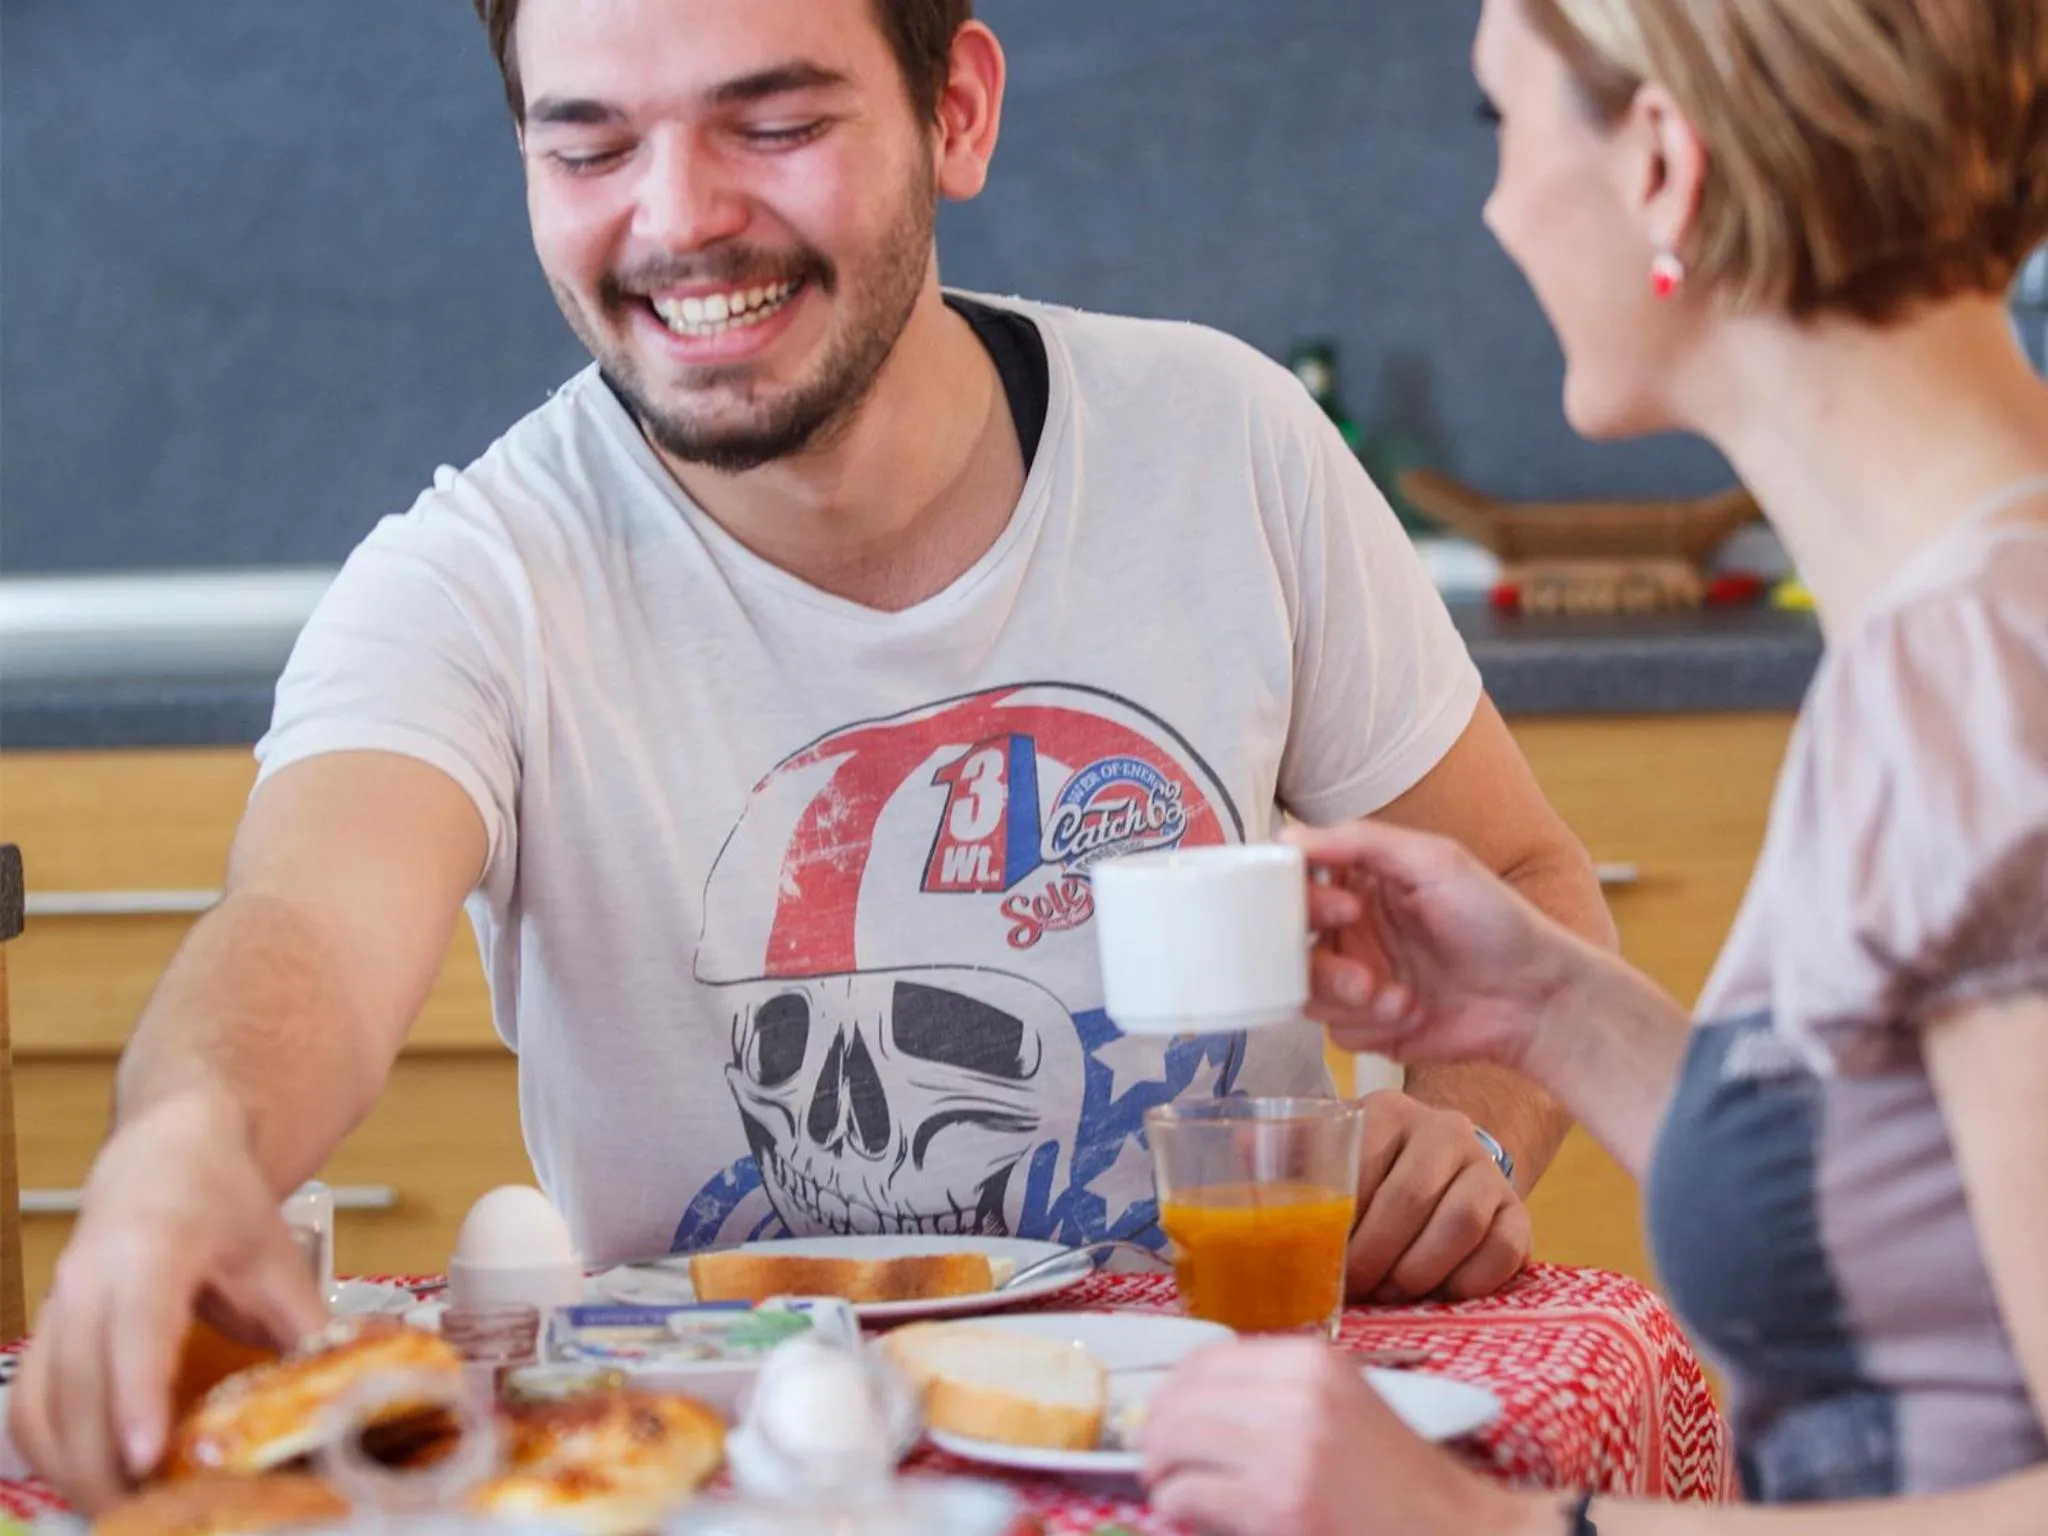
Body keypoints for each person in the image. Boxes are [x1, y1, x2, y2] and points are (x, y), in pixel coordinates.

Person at [8, 0, 1616, 1512]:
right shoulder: (474, 581)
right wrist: (185, 1149)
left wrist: (1467, 1127)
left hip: (1225, 1462)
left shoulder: (1228, 448)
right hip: (709, 1484)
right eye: (587, 148)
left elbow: (1528, 886)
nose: (678, 217)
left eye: (770, 122)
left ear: (956, 112)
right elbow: (304, 922)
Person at [1138, 0, 2048, 1531]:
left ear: (1660, 160)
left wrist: (1486, 1523)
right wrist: (1544, 1005)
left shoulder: (1985, 677)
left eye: (1505, 125)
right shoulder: (1953, 635)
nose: (1495, 208)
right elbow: (1909, 1208)